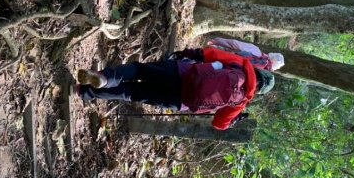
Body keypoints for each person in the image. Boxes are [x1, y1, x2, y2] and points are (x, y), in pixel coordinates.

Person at [74, 45, 281, 130]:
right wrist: (233, 120)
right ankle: (86, 92)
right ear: (260, 91)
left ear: (259, 71)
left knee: (138, 71)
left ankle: (105, 77)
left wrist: (185, 53)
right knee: (132, 93)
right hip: (181, 100)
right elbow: (219, 124)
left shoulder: (241, 66)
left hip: (183, 72)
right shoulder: (242, 101)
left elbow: (207, 54)